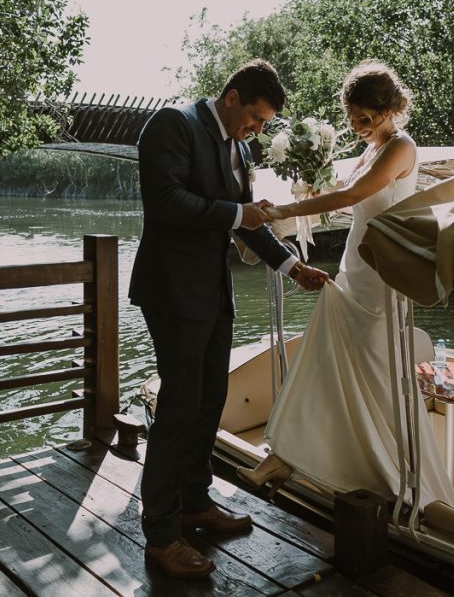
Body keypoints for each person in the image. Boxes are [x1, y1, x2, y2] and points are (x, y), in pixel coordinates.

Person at [129, 59, 329, 579]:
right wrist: (241, 214)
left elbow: (248, 221)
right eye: (256, 118)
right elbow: (166, 201)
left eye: (264, 125)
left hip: (213, 295)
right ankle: (161, 534)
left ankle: (196, 500)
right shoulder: (173, 124)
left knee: (211, 397)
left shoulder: (238, 148)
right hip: (172, 291)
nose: (257, 130)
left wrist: (291, 265)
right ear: (233, 96)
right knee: (178, 405)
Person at [238, 61, 454, 511]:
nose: (358, 128)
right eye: (352, 120)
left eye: (365, 119)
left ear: (392, 108)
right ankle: (288, 456)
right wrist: (305, 185)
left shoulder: (401, 147)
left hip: (382, 279)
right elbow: (337, 188)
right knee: (324, 359)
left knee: (379, 377)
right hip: (352, 272)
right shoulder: (372, 149)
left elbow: (351, 198)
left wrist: (280, 212)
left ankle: (396, 478)